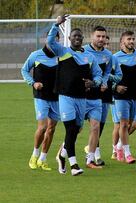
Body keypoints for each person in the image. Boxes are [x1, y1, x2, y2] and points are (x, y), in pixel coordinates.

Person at [49, 15, 102, 176]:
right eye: (74, 36)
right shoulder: (63, 51)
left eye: (79, 36)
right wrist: (56, 25)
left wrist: (93, 83)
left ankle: (61, 155)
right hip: (65, 97)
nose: (77, 38)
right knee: (70, 129)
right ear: (70, 38)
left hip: (82, 99)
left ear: (82, 39)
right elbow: (50, 42)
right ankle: (74, 165)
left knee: (76, 129)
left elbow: (98, 75)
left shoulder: (90, 57)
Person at [83, 26, 121, 168]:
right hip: (83, 95)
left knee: (98, 126)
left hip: (102, 95)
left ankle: (93, 156)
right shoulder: (83, 51)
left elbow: (118, 75)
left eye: (103, 37)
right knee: (76, 127)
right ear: (91, 36)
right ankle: (64, 152)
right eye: (98, 36)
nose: (101, 39)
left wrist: (105, 81)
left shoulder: (109, 55)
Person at [21, 31, 60, 171]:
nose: (53, 43)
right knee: (42, 127)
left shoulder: (61, 57)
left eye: (56, 40)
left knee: (51, 129)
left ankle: (43, 159)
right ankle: (34, 155)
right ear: (46, 40)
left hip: (56, 97)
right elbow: (24, 70)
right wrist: (33, 83)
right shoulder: (35, 55)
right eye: (51, 40)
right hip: (41, 96)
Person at [113, 30, 136, 164]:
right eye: (129, 39)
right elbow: (109, 76)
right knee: (123, 124)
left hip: (135, 95)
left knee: (131, 124)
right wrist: (115, 87)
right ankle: (127, 153)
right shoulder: (115, 57)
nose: (131, 41)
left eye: (133, 39)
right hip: (121, 95)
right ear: (122, 41)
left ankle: (118, 146)